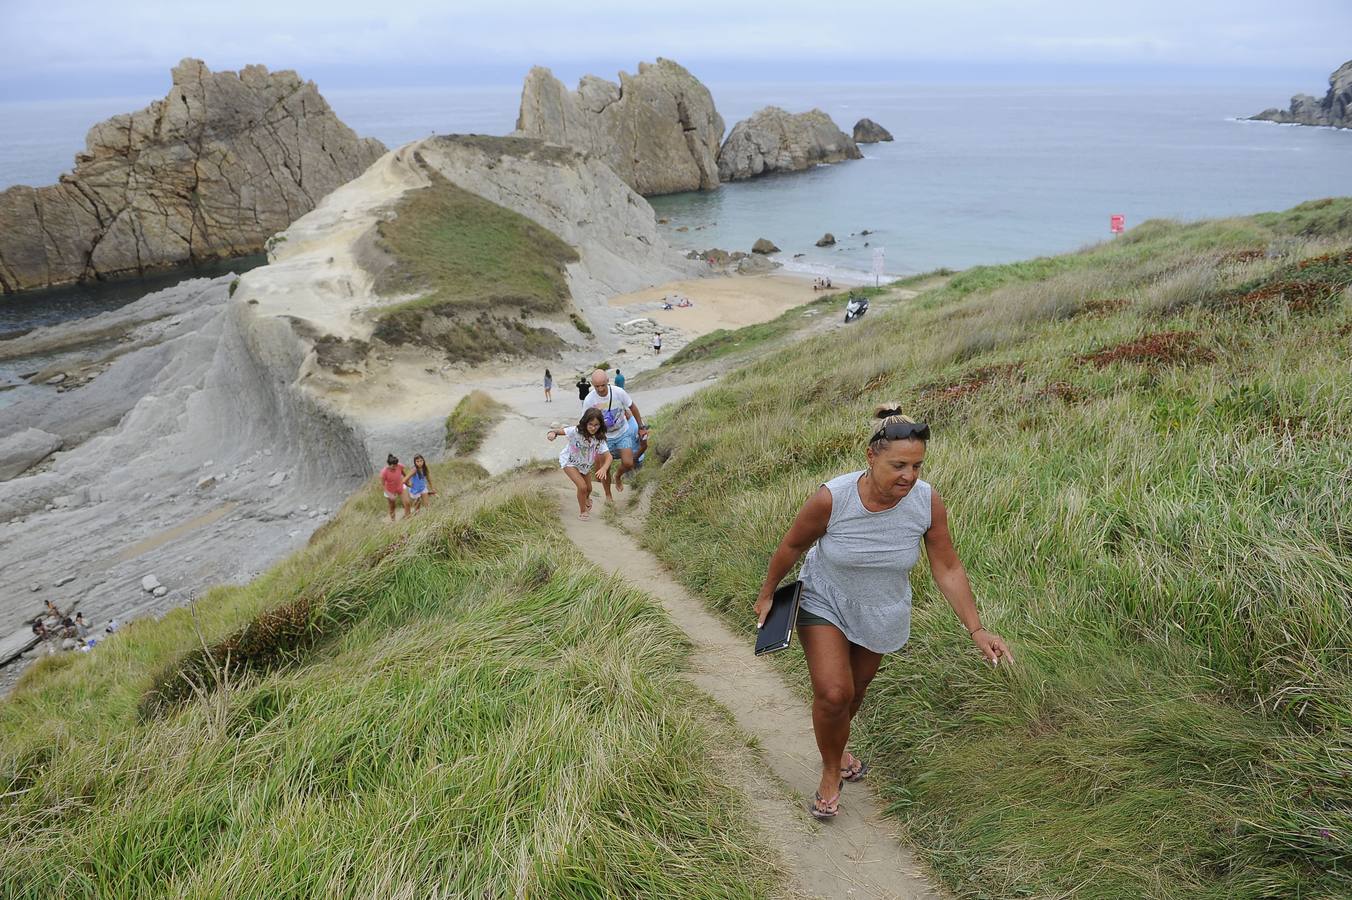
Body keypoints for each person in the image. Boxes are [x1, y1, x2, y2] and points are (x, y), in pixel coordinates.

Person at [753, 406, 1014, 820]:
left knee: (853, 696)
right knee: (833, 692)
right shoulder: (832, 498)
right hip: (824, 599)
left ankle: (838, 747)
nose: (909, 476)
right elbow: (791, 546)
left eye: (916, 465)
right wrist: (768, 593)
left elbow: (947, 566)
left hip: (881, 610)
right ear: (871, 456)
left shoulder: (927, 502)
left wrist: (976, 628)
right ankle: (829, 772)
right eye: (898, 465)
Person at [581, 369, 644, 499]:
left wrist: (641, 427)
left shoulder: (618, 392)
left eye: (603, 385)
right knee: (605, 469)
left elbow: (633, 407)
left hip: (622, 432)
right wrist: (585, 438)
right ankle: (608, 495)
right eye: (596, 386)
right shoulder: (589, 399)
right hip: (603, 437)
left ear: (607, 381)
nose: (600, 389)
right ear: (592, 384)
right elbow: (583, 421)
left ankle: (618, 476)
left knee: (628, 463)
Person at [547, 408, 611, 520]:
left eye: (596, 425)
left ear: (600, 425)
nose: (593, 427)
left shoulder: (599, 439)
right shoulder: (576, 431)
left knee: (589, 489)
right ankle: (583, 511)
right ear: (585, 423)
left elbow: (609, 456)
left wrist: (604, 468)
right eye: (590, 424)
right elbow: (558, 431)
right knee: (582, 487)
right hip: (569, 461)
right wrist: (552, 433)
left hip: (584, 466)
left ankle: (585, 498)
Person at [380, 454, 411, 521]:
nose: (395, 466)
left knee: (407, 502)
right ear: (389, 464)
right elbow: (382, 485)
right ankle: (393, 521)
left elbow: (403, 473)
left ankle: (408, 518)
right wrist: (389, 494)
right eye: (393, 465)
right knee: (392, 507)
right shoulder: (384, 472)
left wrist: (407, 482)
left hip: (400, 486)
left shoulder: (399, 466)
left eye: (396, 464)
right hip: (390, 490)